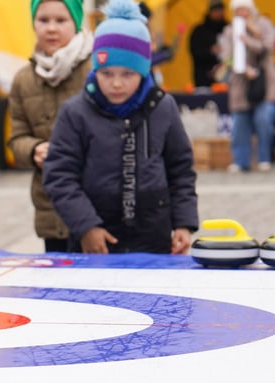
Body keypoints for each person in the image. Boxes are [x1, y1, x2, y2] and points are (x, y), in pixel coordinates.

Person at [42, 0, 198, 255]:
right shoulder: (75, 112)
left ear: (143, 72)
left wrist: (183, 223)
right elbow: (60, 176)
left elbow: (181, 170)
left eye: (127, 74)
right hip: (95, 243)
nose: (116, 84)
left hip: (154, 241)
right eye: (106, 73)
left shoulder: (162, 107)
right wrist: (86, 227)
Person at [8, 0, 91, 253]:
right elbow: (17, 137)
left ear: (76, 23)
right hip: (50, 205)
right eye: (43, 20)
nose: (51, 28)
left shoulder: (97, 72)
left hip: (95, 203)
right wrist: (34, 150)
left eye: (61, 20)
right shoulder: (23, 80)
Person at [217, 0, 275, 173]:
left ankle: (264, 158)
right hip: (240, 83)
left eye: (244, 9)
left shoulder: (264, 24)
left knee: (264, 121)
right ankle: (240, 161)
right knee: (239, 123)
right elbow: (226, 57)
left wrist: (250, 38)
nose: (242, 14)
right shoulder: (229, 30)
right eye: (238, 10)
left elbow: (268, 47)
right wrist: (242, 69)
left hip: (264, 82)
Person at [189, 0, 228, 88]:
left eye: (221, 10)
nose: (219, 13)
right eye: (216, 10)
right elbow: (195, 52)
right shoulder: (199, 31)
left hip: (227, 77)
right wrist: (210, 51)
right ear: (210, 12)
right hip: (204, 78)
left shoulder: (229, 29)